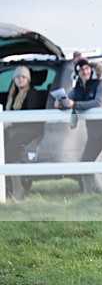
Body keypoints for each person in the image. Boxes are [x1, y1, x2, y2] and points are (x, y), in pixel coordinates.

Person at [55, 59, 102, 194]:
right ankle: (88, 194)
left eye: (87, 68)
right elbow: (69, 99)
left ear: (90, 69)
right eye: (81, 70)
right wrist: (60, 103)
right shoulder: (78, 87)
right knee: (86, 162)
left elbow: (98, 104)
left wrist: (74, 104)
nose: (85, 72)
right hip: (94, 133)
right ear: (77, 73)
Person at [3, 66, 47, 200]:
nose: (20, 80)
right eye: (17, 77)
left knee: (11, 150)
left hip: (31, 130)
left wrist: (10, 123)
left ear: (28, 79)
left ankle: (18, 188)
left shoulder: (32, 93)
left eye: (23, 77)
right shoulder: (12, 95)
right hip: (16, 129)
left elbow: (30, 117)